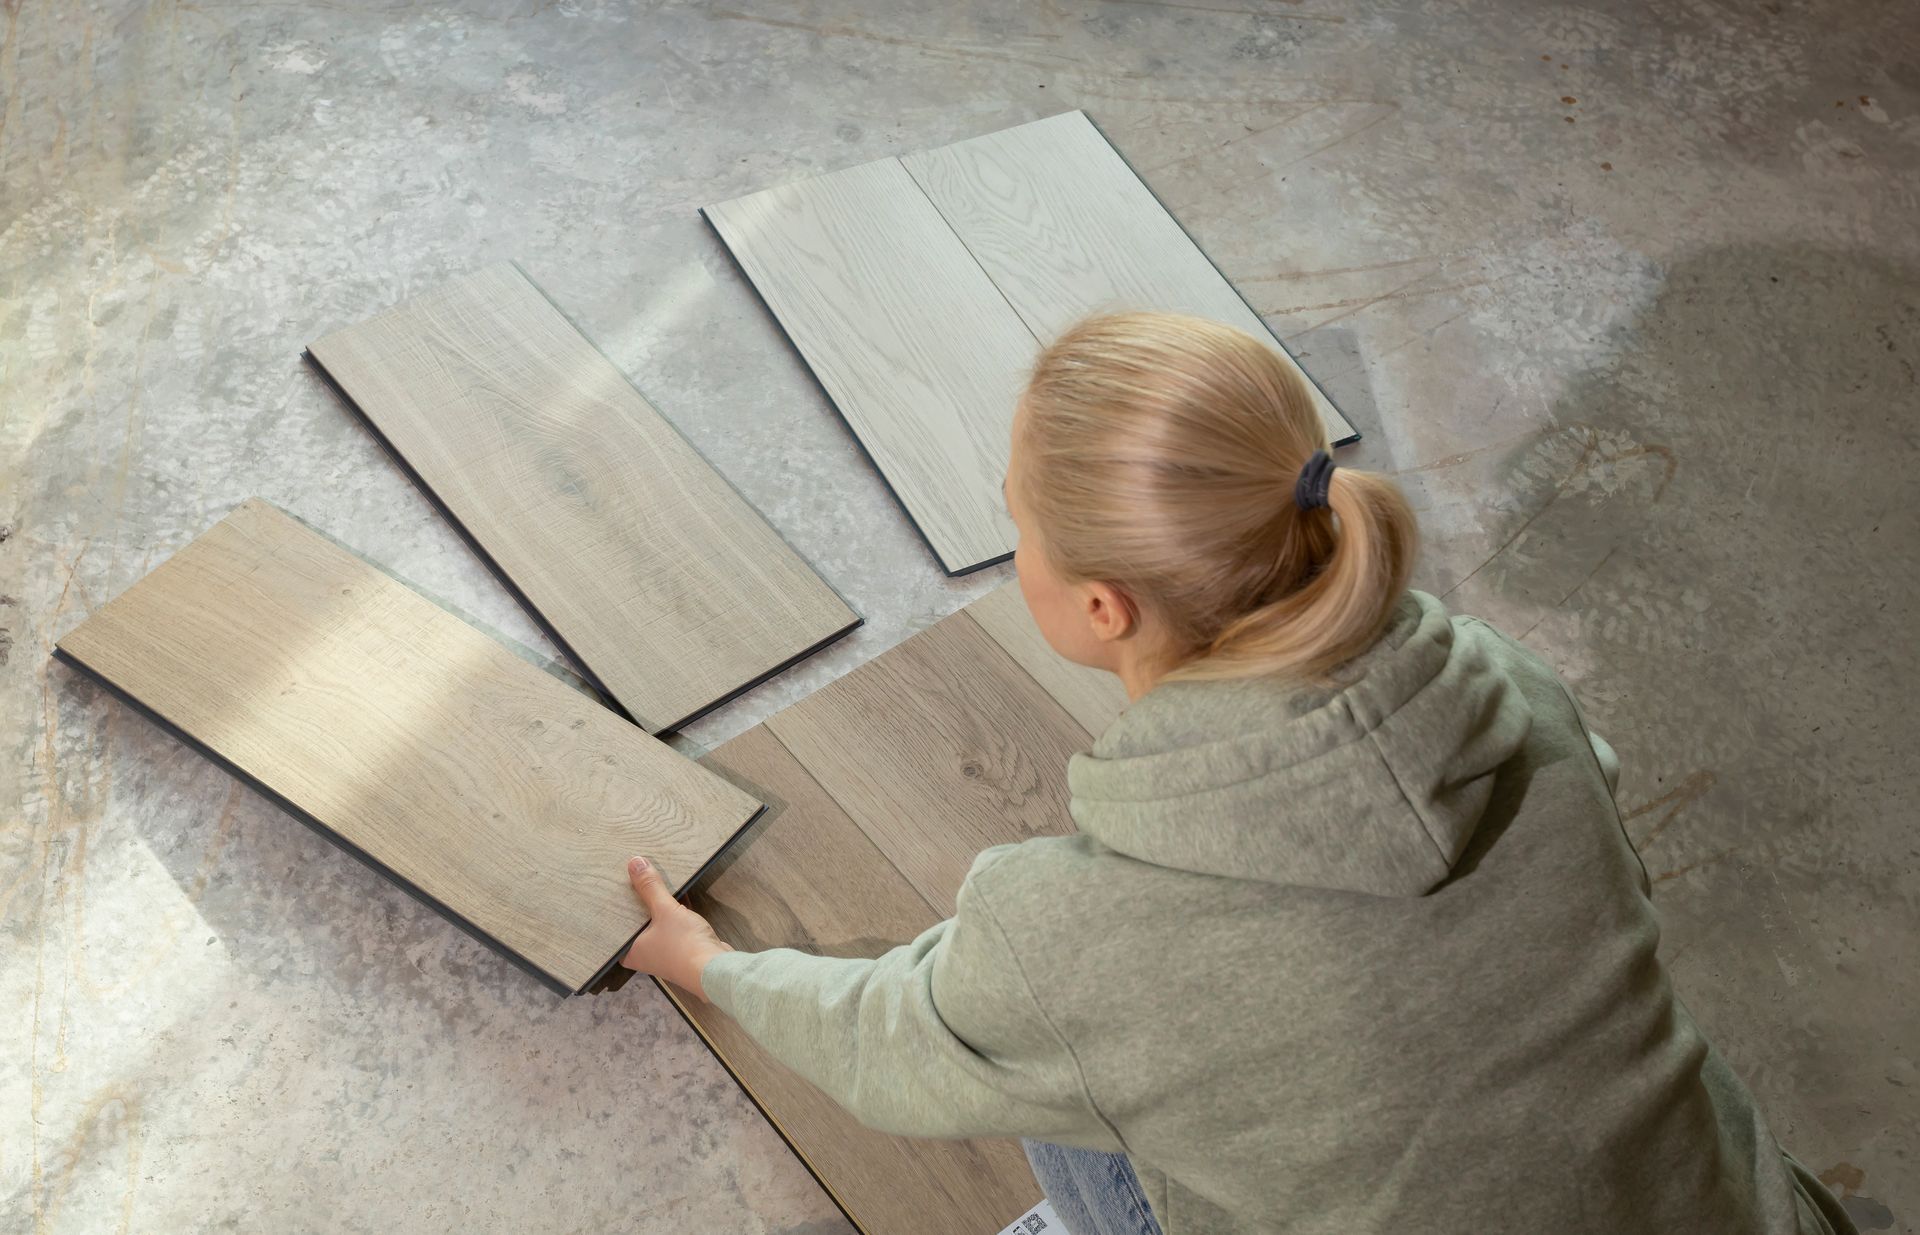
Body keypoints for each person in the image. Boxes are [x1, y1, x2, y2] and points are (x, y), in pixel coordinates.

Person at [619, 313, 1855, 1235]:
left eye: (1017, 529)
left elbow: (894, 1042)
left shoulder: (1078, 934)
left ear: (1101, 606)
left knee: (1043, 1062)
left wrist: (706, 962)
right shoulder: (1495, 680)